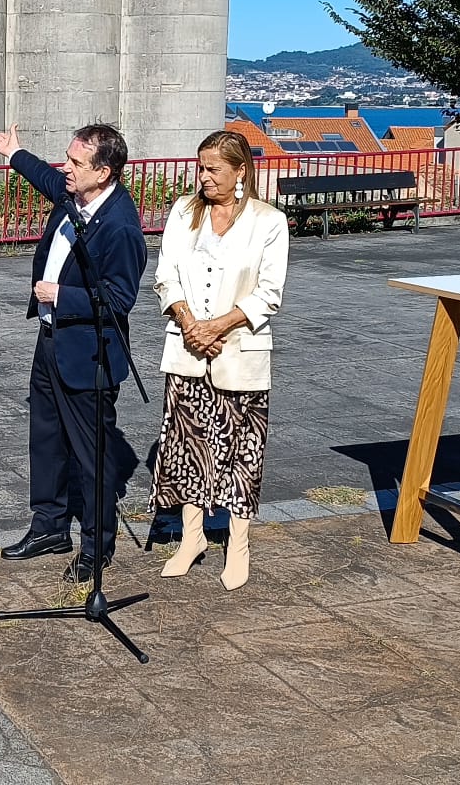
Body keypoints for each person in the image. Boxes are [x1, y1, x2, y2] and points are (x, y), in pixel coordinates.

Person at [0, 122, 147, 584]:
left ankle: (97, 548)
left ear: (105, 172)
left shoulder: (119, 224)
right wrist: (16, 153)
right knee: (46, 438)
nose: (67, 168)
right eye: (69, 157)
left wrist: (62, 295)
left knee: (91, 456)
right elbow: (46, 178)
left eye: (76, 162)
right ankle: (49, 527)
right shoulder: (76, 194)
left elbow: (120, 299)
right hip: (50, 341)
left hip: (88, 353)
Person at [150, 130, 288, 591]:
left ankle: (238, 543)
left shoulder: (269, 221)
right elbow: (165, 274)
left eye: (213, 169)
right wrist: (190, 322)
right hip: (187, 347)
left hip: (240, 351)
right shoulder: (184, 213)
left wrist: (218, 326)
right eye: (201, 167)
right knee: (187, 445)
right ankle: (192, 538)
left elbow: (269, 294)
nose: (203, 177)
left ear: (240, 171)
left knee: (241, 451)